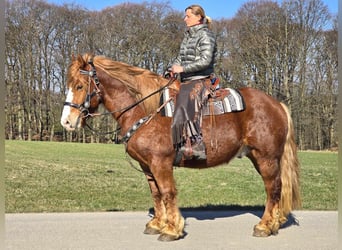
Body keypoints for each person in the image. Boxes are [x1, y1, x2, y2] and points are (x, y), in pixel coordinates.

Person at [170, 4, 217, 160]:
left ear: (199, 17)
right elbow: (179, 58)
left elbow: (205, 61)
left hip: (201, 79)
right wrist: (170, 68)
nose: (185, 19)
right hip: (186, 78)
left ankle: (197, 144)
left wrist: (182, 69)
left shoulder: (206, 35)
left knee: (185, 99)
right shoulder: (188, 36)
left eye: (188, 16)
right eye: (185, 16)